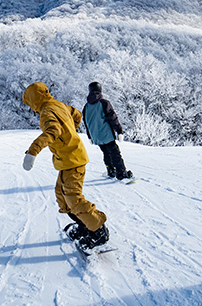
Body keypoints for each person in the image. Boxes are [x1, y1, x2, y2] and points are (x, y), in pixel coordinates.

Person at [21, 82, 109, 250]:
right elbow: (76, 114)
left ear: (34, 101)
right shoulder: (58, 105)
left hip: (73, 160)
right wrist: (72, 132)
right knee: (62, 197)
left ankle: (98, 230)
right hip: (68, 159)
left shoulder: (47, 112)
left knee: (73, 199)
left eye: (30, 104)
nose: (31, 109)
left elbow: (52, 131)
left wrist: (32, 152)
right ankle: (85, 225)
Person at [82, 82, 133, 180]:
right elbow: (113, 118)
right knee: (115, 153)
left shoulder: (86, 107)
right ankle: (121, 173)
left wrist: (90, 136)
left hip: (96, 136)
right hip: (106, 133)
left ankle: (111, 170)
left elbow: (87, 123)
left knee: (106, 152)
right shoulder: (104, 103)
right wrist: (119, 131)